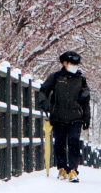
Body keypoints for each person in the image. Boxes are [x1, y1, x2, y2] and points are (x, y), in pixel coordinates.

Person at [39, 51, 91, 183]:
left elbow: (86, 100)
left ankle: (73, 170)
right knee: (60, 143)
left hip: (75, 117)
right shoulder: (55, 77)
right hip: (58, 116)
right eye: (72, 63)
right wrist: (44, 104)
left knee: (74, 141)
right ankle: (62, 167)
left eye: (76, 64)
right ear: (65, 63)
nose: (74, 66)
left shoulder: (81, 79)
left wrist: (86, 117)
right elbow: (44, 90)